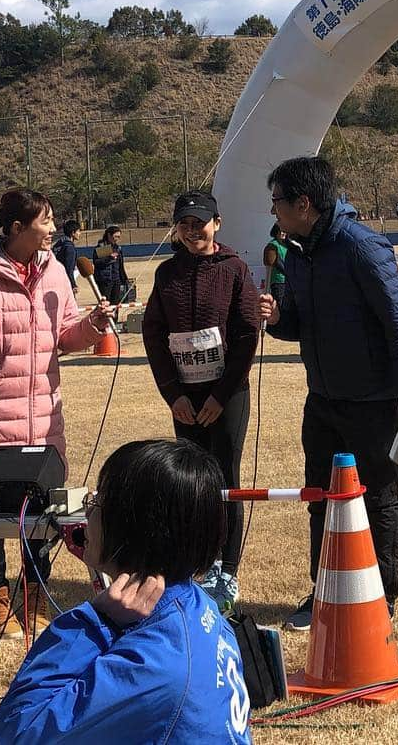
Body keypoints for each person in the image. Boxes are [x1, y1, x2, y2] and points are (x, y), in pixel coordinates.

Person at [0, 189, 113, 641]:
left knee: (42, 508)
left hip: (42, 414)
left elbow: (65, 337)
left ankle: (34, 593)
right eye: (44, 221)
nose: (52, 229)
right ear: (16, 229)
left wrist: (91, 326)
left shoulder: (55, 271)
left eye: (53, 220)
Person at [0, 439, 251, 744]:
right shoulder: (200, 606)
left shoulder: (152, 664)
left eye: (97, 504)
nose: (86, 516)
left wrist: (93, 622)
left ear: (135, 527)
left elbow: (15, 733)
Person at [258, 157, 398, 633]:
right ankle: (324, 591)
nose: (275, 212)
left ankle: (381, 598)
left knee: (379, 499)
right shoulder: (297, 250)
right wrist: (276, 317)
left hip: (373, 401)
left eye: (278, 202)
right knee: (320, 498)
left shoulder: (360, 246)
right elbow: (298, 327)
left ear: (303, 204)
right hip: (323, 399)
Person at [141, 191, 260, 614]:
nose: (193, 231)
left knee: (224, 479)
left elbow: (247, 334)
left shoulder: (234, 269)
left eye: (201, 222)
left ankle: (226, 570)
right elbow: (153, 334)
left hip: (226, 395)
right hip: (184, 400)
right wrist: (173, 394)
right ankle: (199, 563)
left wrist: (220, 396)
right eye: (185, 224)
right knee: (191, 480)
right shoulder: (166, 274)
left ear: (217, 224)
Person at [92, 225, 132, 307]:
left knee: (115, 304)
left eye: (119, 237)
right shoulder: (103, 246)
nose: (117, 239)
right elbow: (97, 262)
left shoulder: (118, 248)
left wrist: (124, 278)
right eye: (115, 236)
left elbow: (120, 265)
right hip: (105, 280)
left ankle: (115, 319)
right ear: (109, 235)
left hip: (116, 279)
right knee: (106, 303)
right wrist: (109, 258)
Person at [52, 219, 81, 294]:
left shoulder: (60, 244)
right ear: (73, 233)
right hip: (65, 283)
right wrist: (73, 285)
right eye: (78, 231)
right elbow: (69, 269)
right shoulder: (69, 248)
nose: (80, 233)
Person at [265, 223, 288, 304]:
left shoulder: (286, 245)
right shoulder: (273, 245)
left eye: (284, 231)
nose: (283, 233)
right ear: (276, 232)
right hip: (278, 281)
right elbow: (276, 263)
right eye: (280, 231)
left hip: (288, 281)